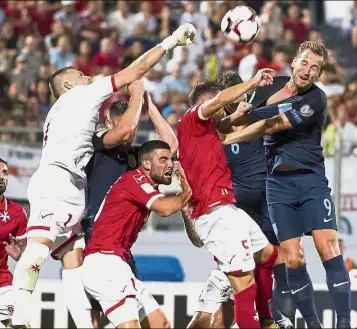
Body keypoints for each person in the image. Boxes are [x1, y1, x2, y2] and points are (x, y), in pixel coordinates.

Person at [10, 23, 197, 329]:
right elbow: (133, 74)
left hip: (79, 198)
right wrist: (171, 42)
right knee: (39, 247)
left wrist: (147, 107)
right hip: (64, 189)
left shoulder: (80, 123)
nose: (88, 77)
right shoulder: (80, 102)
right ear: (70, 86)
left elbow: (168, 146)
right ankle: (18, 319)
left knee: (71, 259)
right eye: (81, 76)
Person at [222, 41, 351, 329]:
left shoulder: (316, 100)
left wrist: (230, 134)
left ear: (319, 76)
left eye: (315, 68)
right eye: (305, 63)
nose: (308, 71)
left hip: (310, 180)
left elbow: (271, 124)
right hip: (277, 185)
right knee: (292, 259)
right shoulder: (269, 87)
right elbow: (242, 117)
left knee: (327, 246)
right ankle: (314, 325)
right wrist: (232, 118)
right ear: (293, 61)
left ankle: (344, 322)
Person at [187, 72, 294, 329]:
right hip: (233, 218)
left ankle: (279, 319)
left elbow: (283, 89)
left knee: (280, 260)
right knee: (231, 297)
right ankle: (269, 319)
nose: (232, 103)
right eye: (227, 99)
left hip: (263, 210)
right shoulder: (209, 132)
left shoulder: (254, 116)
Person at [83, 88, 177, 328]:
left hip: (119, 247)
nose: (131, 133)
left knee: (134, 317)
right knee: (93, 317)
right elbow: (123, 131)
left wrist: (150, 106)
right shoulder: (97, 144)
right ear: (107, 123)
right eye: (126, 125)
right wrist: (136, 95)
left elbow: (170, 146)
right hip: (93, 239)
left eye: (135, 128)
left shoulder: (136, 156)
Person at [82, 140, 191, 328]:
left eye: (171, 159)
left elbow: (172, 141)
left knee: (160, 324)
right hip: (104, 264)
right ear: (146, 164)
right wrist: (189, 189)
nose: (170, 164)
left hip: (117, 264)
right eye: (163, 159)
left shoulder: (144, 187)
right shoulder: (135, 180)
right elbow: (165, 209)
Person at [0, 159, 28, 329]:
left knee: (19, 318)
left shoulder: (16, 213)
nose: (1, 177)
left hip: (2, 282)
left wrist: (20, 257)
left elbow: (28, 258)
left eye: (4, 173)